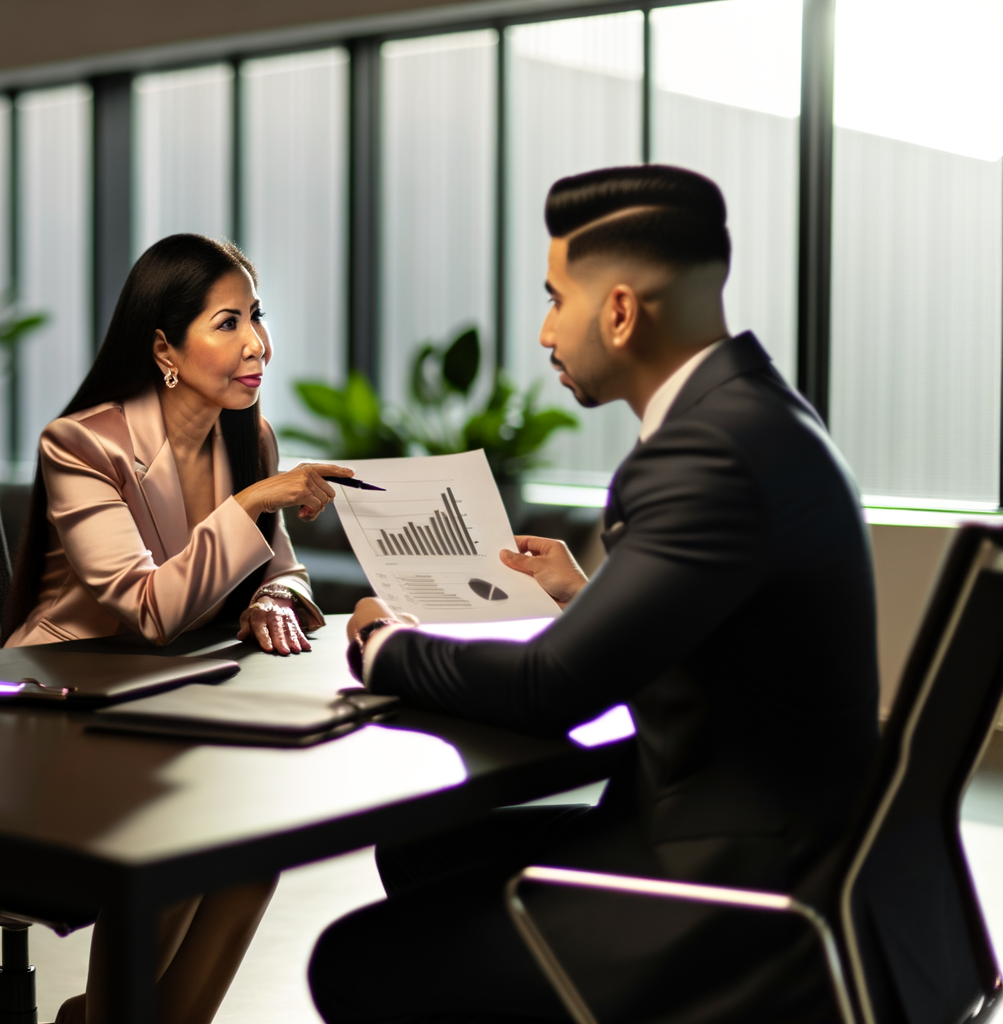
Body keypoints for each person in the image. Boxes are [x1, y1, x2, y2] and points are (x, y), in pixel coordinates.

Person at [308, 165, 880, 1023]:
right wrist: (586, 600)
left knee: (354, 961)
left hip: (726, 882)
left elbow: (548, 692)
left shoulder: (705, 454)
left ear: (617, 311)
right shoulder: (763, 414)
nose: (543, 331)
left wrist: (384, 642)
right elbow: (724, 635)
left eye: (552, 299)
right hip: (791, 843)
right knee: (426, 841)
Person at [3, 233, 350, 1023]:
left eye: (256, 317)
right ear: (164, 345)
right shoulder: (82, 444)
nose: (256, 343)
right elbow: (148, 607)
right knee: (186, 834)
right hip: (59, 715)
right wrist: (253, 506)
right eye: (227, 322)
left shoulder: (247, 437)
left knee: (254, 845)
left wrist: (271, 599)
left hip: (165, 708)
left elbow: (285, 575)